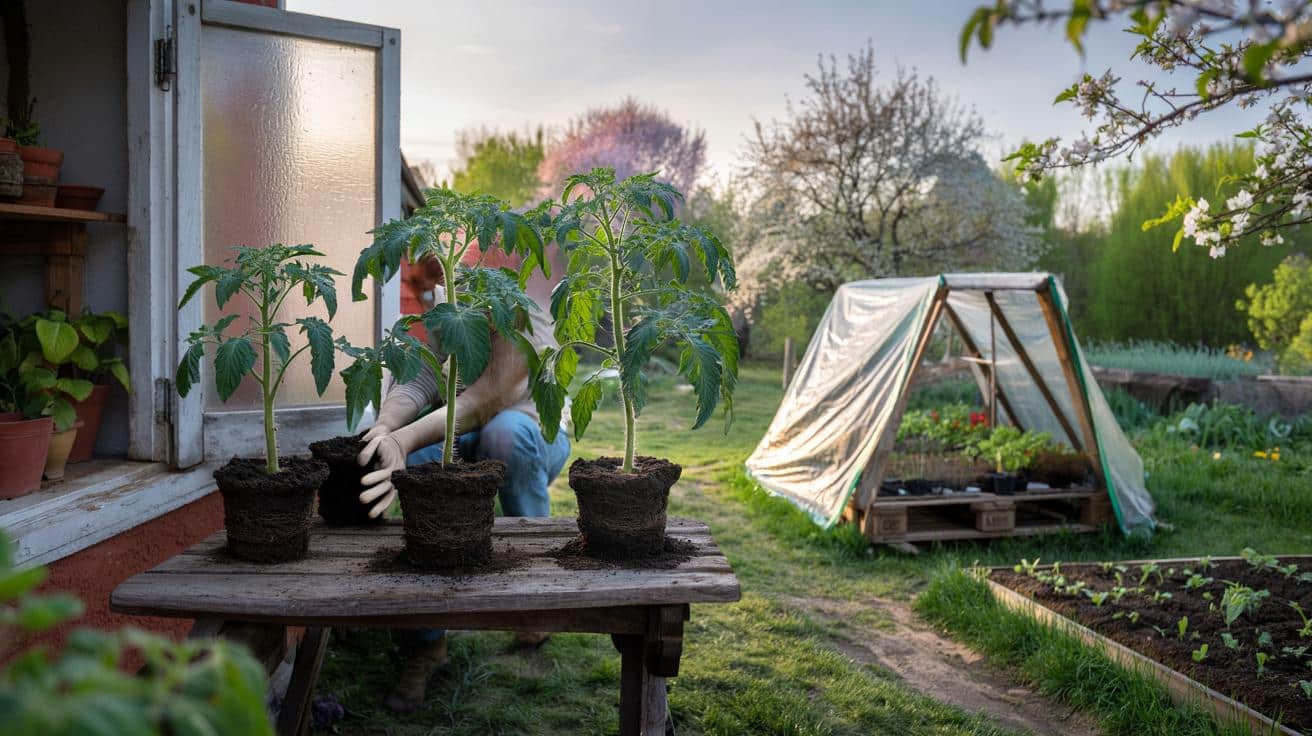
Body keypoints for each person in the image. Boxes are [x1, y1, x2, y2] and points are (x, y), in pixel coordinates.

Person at [355, 256, 570, 713]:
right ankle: (427, 639)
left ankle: (534, 604)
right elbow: (424, 377)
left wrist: (404, 435)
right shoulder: (451, 307)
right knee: (419, 464)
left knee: (504, 434)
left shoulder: (522, 308)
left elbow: (490, 396)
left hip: (533, 433)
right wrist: (385, 430)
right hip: (467, 430)